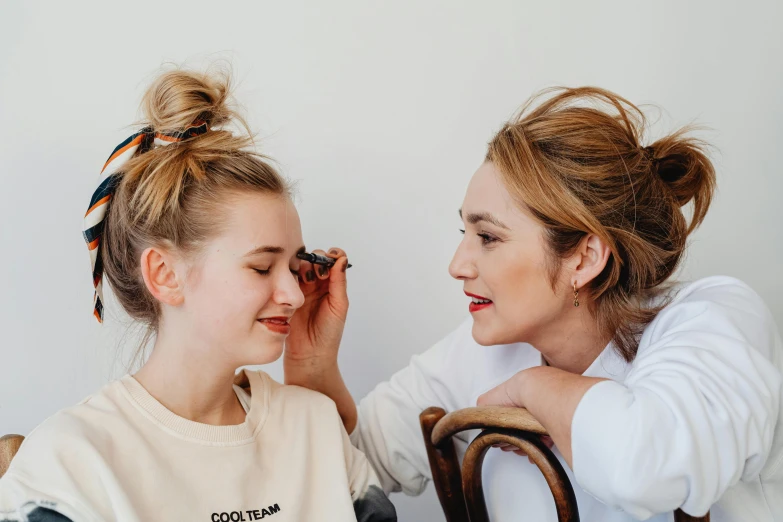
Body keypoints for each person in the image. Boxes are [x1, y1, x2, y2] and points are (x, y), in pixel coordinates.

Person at [284, 87, 783, 521]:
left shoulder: (710, 319)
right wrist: (312, 363)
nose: (458, 264)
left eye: (488, 237)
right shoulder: (482, 349)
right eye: (466, 232)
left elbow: (647, 466)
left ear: (584, 258)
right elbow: (344, 468)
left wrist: (534, 387)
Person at [0, 68, 396, 522]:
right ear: (165, 274)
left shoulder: (317, 428)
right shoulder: (72, 464)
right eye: (262, 266)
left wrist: (311, 367)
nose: (294, 294)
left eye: (293, 266)